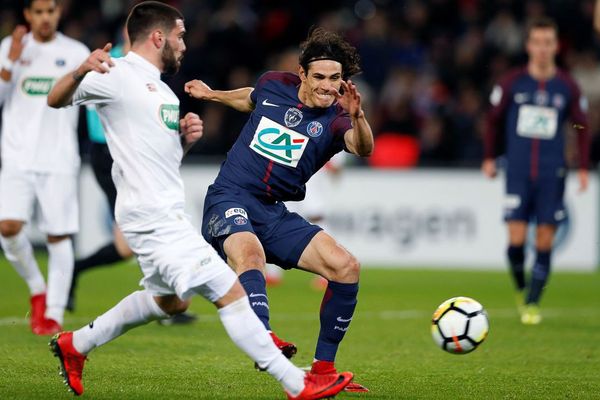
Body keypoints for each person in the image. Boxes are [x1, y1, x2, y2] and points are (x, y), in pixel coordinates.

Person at [46, 2, 352, 398]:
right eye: (180, 35)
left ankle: (77, 345)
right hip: (151, 216)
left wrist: (182, 143)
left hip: (164, 210)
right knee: (230, 289)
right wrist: (81, 70)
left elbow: (155, 158)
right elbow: (55, 98)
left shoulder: (160, 91)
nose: (185, 44)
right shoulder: (115, 74)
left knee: (169, 302)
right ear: (159, 37)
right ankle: (296, 382)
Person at [185, 27, 373, 392]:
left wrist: (359, 117)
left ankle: (323, 370)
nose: (327, 86)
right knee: (250, 255)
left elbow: (362, 148)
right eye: (319, 77)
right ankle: (263, 338)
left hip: (273, 211)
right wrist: (212, 95)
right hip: (230, 196)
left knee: (345, 267)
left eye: (335, 79)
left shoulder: (337, 119)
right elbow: (250, 99)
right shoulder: (275, 84)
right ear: (302, 74)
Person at [68, 37, 197, 326]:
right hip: (110, 155)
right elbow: (84, 101)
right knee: (135, 237)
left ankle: (164, 298)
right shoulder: (110, 61)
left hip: (130, 156)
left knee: (127, 245)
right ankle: (165, 300)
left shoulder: (149, 69)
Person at [482, 17, 590, 325]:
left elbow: (581, 125)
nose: (542, 49)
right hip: (517, 170)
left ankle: (532, 302)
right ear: (529, 45)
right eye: (537, 42)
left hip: (551, 173)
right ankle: (520, 287)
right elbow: (493, 120)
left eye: (548, 43)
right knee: (516, 241)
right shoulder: (512, 83)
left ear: (555, 46)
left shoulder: (566, 85)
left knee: (544, 240)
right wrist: (490, 157)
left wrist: (582, 165)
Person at [0, 0, 89, 336]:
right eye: (38, 12)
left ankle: (53, 312)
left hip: (59, 158)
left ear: (58, 13)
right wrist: (11, 61)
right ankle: (38, 288)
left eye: (50, 11)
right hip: (17, 156)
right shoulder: (9, 47)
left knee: (58, 234)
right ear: (27, 15)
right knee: (8, 227)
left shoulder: (76, 51)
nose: (45, 18)